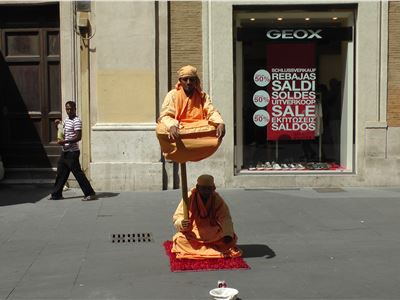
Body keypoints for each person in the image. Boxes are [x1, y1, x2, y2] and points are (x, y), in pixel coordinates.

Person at [156, 65, 226, 163]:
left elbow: (211, 111)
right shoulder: (172, 95)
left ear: (196, 81)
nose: (189, 82)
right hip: (179, 129)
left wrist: (220, 123)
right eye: (185, 79)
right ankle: (181, 149)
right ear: (180, 81)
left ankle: (187, 147)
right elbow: (165, 115)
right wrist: (172, 125)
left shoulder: (203, 96)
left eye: (192, 80)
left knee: (216, 128)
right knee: (160, 129)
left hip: (198, 129)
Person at [171, 174, 242, 259]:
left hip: (212, 233)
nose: (206, 192)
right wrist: (182, 223)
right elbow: (178, 216)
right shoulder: (189, 197)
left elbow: (225, 217)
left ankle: (201, 250)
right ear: (197, 187)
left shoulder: (216, 198)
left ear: (213, 188)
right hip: (194, 233)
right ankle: (212, 251)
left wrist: (227, 233)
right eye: (203, 189)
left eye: (209, 189)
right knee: (180, 240)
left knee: (230, 240)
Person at [49, 101, 96, 201]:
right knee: (61, 173)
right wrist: (57, 124)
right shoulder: (66, 120)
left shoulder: (76, 121)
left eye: (71, 109)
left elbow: (78, 137)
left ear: (75, 109)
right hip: (65, 151)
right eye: (67, 109)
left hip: (72, 152)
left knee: (78, 174)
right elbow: (62, 131)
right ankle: (56, 194)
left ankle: (90, 193)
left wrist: (66, 141)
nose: (69, 111)